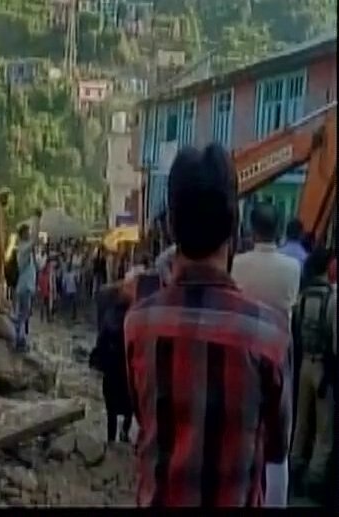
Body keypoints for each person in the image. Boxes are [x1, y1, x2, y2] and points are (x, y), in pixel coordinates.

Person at [124, 144, 292, 507]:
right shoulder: (270, 335)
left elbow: (144, 416)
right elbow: (278, 450)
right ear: (234, 224)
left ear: (170, 225)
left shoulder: (139, 324)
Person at [290, 247, 336, 502]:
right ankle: (315, 478)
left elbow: (295, 329)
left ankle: (295, 467)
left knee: (301, 423)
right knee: (324, 430)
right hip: (323, 370)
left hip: (303, 364)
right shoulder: (332, 300)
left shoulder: (304, 296)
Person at [232, 202, 301, 320]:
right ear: (278, 230)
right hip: (280, 336)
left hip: (245, 334)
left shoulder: (236, 264)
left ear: (252, 230)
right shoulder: (293, 266)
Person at [90, 285, 132, 443]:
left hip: (111, 370)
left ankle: (111, 439)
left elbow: (100, 342)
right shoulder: (132, 319)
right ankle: (125, 433)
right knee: (129, 407)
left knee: (111, 410)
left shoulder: (108, 318)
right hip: (127, 370)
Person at [14, 210, 42, 351]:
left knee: (24, 314)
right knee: (23, 314)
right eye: (27, 232)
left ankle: (20, 338)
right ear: (22, 234)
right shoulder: (23, 249)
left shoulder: (23, 249)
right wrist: (36, 220)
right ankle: (19, 339)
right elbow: (34, 240)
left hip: (26, 286)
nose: (29, 233)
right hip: (24, 287)